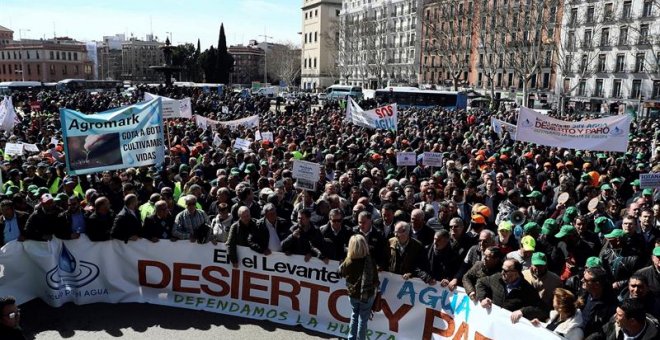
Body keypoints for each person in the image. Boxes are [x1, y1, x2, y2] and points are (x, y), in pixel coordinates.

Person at [476, 259, 547, 323]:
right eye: (502, 269)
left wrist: (522, 311)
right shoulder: (496, 278)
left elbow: (541, 309)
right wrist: (482, 298)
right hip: (491, 322)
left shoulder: (527, 289)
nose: (502, 272)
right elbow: (481, 282)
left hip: (509, 328)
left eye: (506, 271)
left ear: (516, 272)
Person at [338, 234, 379, 340]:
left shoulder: (348, 261)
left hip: (353, 294)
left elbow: (341, 273)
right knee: (363, 319)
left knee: (354, 315)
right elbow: (375, 279)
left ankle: (351, 338)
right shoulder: (370, 261)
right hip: (367, 294)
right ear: (364, 246)